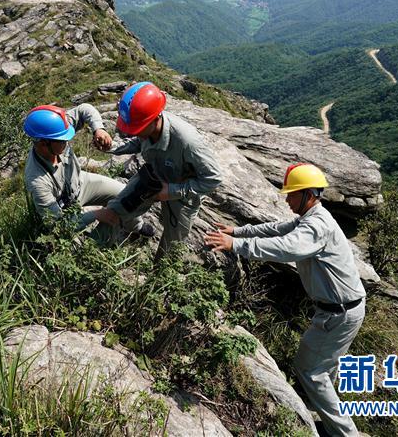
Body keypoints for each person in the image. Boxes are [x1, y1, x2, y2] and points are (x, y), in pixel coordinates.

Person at [205, 163, 365, 437]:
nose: (287, 199)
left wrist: (238, 246)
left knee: (309, 370)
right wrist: (238, 231)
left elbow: (288, 247)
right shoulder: (310, 216)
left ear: (309, 194)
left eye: (292, 194)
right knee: (324, 368)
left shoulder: (317, 226)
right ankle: (328, 418)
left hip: (338, 314)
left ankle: (344, 433)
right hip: (342, 309)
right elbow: (278, 229)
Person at [102, 82, 223, 258]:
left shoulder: (187, 142)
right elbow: (138, 142)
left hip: (182, 190)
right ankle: (127, 233)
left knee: (172, 244)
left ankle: (161, 276)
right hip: (153, 176)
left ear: (155, 119)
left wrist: (172, 191)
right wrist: (111, 147)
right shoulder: (146, 127)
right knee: (118, 208)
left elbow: (213, 178)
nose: (135, 133)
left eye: (138, 129)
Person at [23, 103, 153, 243]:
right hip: (63, 209)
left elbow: (84, 109)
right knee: (80, 235)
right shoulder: (37, 182)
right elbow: (58, 225)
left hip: (81, 182)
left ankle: (136, 226)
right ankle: (93, 248)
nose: (67, 141)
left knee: (125, 193)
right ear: (43, 143)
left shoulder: (57, 128)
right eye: (62, 141)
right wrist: (95, 215)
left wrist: (99, 129)